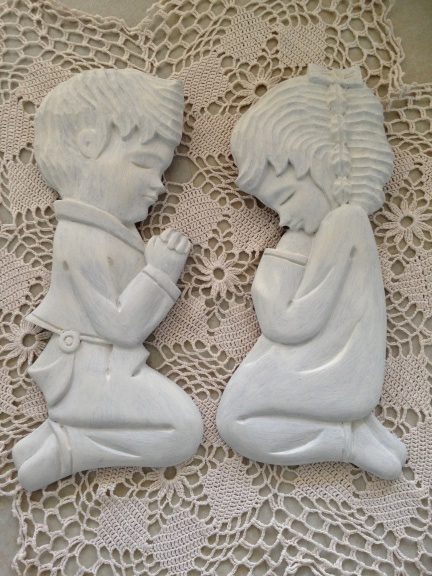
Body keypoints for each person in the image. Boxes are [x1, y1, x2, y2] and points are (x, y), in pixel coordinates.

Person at [13, 69, 203, 491]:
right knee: (183, 431)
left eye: (163, 170)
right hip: (91, 375)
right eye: (144, 164)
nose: (158, 185)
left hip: (107, 369)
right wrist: (159, 272)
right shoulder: (81, 237)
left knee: (181, 427)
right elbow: (121, 327)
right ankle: (68, 447)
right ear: (89, 145)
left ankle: (55, 437)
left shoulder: (106, 231)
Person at [216, 64, 406, 480]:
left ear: (324, 170)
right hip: (324, 364)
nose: (281, 216)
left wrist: (268, 280)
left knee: (237, 421)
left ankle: (346, 439)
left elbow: (290, 323)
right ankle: (359, 431)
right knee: (240, 415)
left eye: (284, 196)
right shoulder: (335, 229)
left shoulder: (344, 224)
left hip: (334, 373)